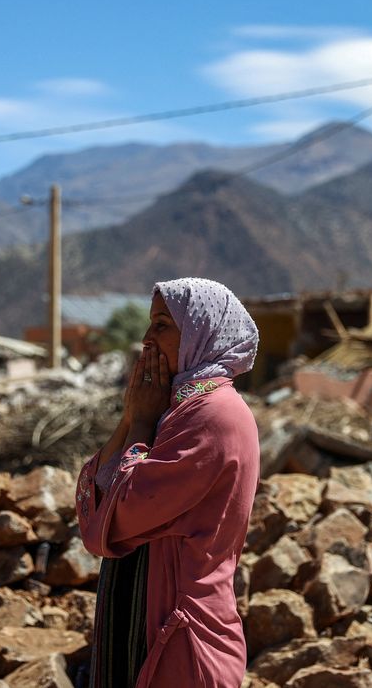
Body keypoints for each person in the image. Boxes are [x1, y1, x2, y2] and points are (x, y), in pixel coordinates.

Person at [76, 277, 261, 688]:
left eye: (161, 325)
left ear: (199, 330)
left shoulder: (213, 415)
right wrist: (131, 416)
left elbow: (118, 515)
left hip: (178, 640)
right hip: (141, 630)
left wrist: (140, 422)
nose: (146, 339)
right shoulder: (173, 410)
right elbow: (97, 507)